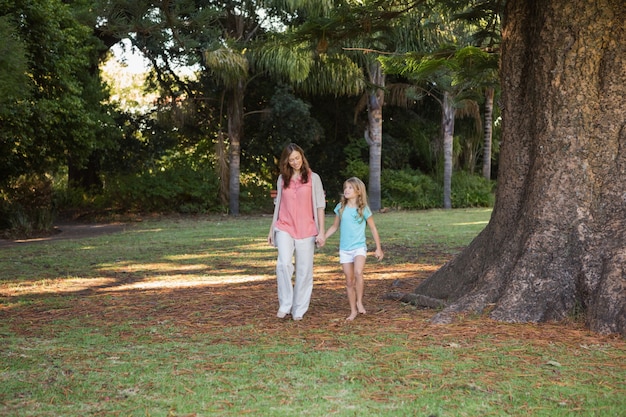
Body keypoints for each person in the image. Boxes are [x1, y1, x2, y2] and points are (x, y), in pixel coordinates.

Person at [268, 143, 326, 321]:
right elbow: (278, 207)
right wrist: (272, 230)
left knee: (304, 270)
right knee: (283, 264)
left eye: (297, 158)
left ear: (302, 156)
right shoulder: (281, 179)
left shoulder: (313, 178)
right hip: (284, 226)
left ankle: (299, 308)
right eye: (291, 159)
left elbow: (319, 206)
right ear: (286, 161)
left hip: (307, 228)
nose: (295, 162)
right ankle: (285, 304)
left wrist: (321, 231)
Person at [325, 177, 383, 321]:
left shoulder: (363, 209)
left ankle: (360, 302)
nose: (346, 190)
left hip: (359, 247)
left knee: (358, 272)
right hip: (345, 249)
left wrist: (378, 248)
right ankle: (353, 311)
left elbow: (373, 229)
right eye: (345, 187)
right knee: (349, 281)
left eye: (350, 188)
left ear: (358, 191)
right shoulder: (341, 207)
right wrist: (323, 237)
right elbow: (334, 226)